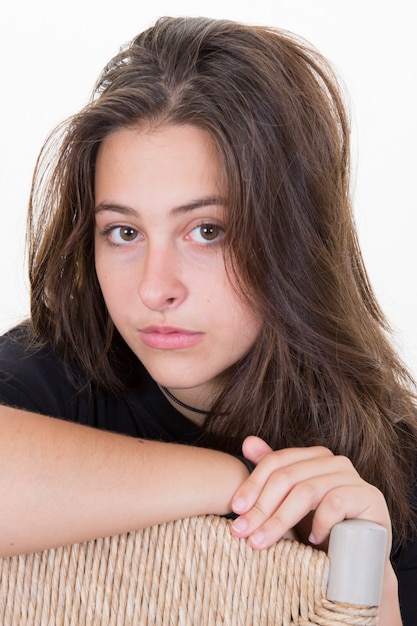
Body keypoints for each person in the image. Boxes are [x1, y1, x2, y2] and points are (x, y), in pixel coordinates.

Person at [0, 16, 415, 625]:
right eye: (123, 231)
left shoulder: (389, 477)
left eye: (207, 231)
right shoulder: (54, 368)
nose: (153, 287)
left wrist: (369, 594)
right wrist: (233, 482)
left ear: (296, 238)